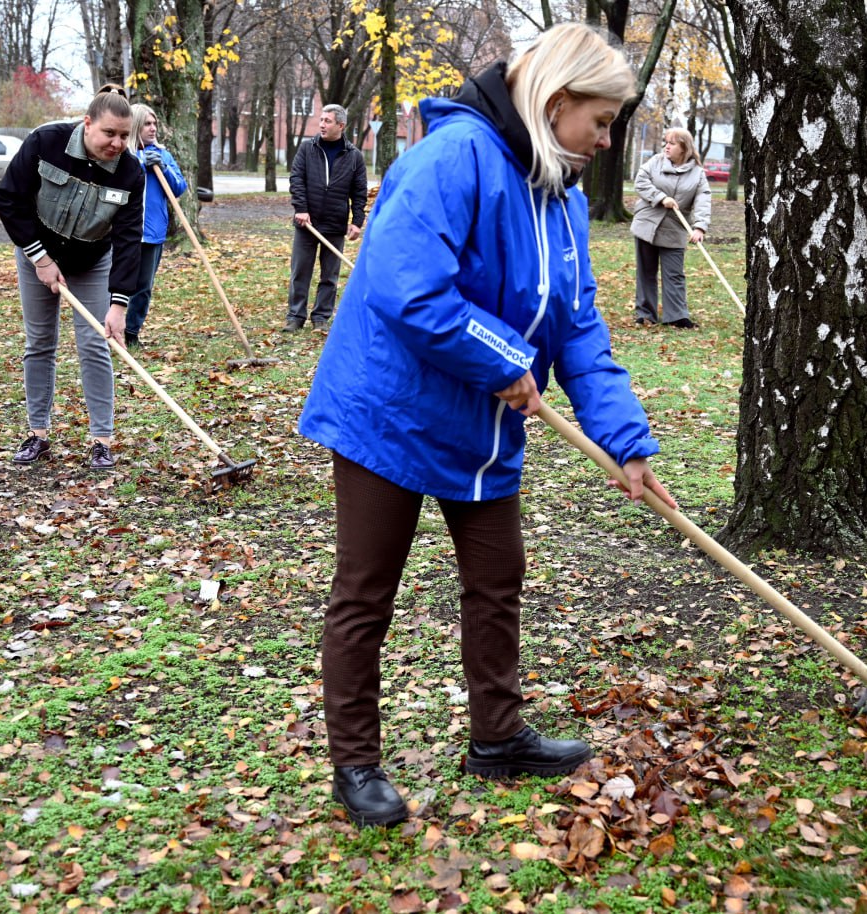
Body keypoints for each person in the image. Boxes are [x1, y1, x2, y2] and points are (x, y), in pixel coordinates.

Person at [298, 22, 678, 828]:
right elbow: (410, 291)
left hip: (481, 424)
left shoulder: (561, 196)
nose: (606, 142)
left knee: (498, 572)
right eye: (601, 122)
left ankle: (497, 739)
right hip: (390, 412)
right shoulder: (453, 158)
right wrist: (505, 359)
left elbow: (576, 330)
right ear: (557, 100)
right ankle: (355, 761)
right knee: (367, 589)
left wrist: (627, 442)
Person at [0, 85, 144, 470]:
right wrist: (39, 259)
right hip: (36, 252)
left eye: (125, 136)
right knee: (40, 342)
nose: (117, 143)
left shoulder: (130, 173)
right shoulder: (47, 141)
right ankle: (38, 434)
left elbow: (129, 241)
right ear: (87, 123)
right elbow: (9, 198)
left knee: (96, 344)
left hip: (92, 260)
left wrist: (119, 303)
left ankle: (101, 440)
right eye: (109, 133)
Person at [283, 104, 368, 331]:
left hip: (334, 223)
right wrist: (300, 208)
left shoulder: (354, 157)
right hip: (307, 223)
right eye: (321, 119)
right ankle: (295, 316)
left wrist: (357, 221)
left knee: (330, 276)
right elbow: (296, 179)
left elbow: (359, 193)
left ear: (341, 125)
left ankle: (321, 317)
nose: (322, 124)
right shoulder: (306, 149)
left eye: (327, 121)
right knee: (300, 271)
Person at [630, 126, 711, 329]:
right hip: (647, 223)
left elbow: (703, 200)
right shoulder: (655, 162)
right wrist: (660, 197)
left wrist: (699, 227)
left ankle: (676, 315)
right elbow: (640, 182)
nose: (666, 147)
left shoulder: (698, 174)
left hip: (675, 227)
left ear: (684, 148)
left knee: (674, 273)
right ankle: (646, 314)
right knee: (646, 271)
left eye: (672, 143)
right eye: (665, 142)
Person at [125, 103, 187, 348]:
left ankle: (131, 332)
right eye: (147, 124)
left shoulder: (163, 154)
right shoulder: (124, 153)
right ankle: (110, 329)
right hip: (124, 232)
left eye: (154, 124)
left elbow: (179, 188)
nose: (152, 129)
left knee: (143, 287)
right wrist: (140, 164)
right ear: (135, 126)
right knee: (117, 283)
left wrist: (162, 166)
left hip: (152, 232)